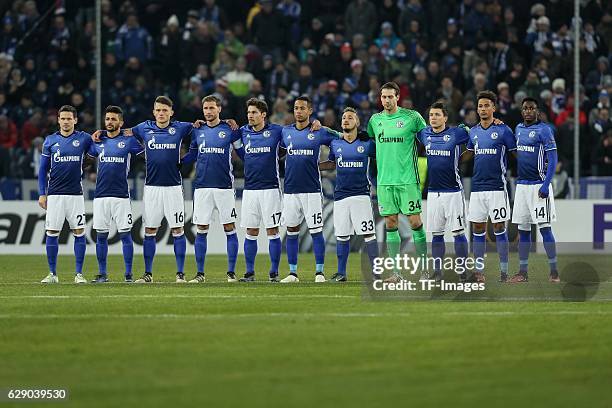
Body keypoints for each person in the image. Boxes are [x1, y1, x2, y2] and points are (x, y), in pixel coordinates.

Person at [114, 96, 194, 283]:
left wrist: (225, 121)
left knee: (178, 230)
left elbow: (203, 125)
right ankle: (148, 274)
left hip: (173, 187)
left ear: (171, 113)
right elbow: (121, 132)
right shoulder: (143, 128)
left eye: (165, 110)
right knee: (149, 230)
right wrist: (100, 132)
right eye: (158, 110)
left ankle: (180, 274)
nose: (161, 113)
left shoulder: (180, 128)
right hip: (151, 188)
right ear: (154, 111)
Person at [366, 82, 428, 282]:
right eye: (383, 97)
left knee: (415, 222)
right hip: (385, 182)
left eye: (390, 96)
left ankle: (425, 271)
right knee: (390, 224)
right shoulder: (375, 120)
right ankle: (396, 273)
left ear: (398, 97)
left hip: (407, 180)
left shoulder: (412, 117)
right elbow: (366, 140)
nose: (386, 100)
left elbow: (429, 137)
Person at [181, 95, 242, 283]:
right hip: (202, 188)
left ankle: (231, 273)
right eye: (205, 108)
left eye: (211, 108)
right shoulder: (197, 130)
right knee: (201, 229)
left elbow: (242, 152)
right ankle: (200, 274)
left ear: (219, 109)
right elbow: (192, 155)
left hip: (224, 187)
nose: (208, 111)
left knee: (229, 228)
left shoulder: (230, 129)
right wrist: (176, 162)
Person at [279, 95, 338, 283]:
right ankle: (293, 273)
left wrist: (331, 161)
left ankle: (319, 272)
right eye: (296, 108)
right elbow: (278, 150)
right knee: (292, 231)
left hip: (312, 190)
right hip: (290, 191)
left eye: (302, 108)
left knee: (316, 231)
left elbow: (339, 139)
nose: (298, 111)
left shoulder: (319, 131)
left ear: (310, 111)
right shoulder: (285, 132)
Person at [461, 91, 516, 283]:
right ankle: (479, 273)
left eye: (487, 106)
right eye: (480, 106)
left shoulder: (504, 130)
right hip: (477, 189)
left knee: (499, 228)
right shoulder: (474, 131)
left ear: (494, 108)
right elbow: (467, 154)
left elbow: (515, 154)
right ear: (477, 109)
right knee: (477, 229)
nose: (483, 109)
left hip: (497, 188)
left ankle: (504, 273)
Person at [319, 107, 378, 282]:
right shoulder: (336, 144)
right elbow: (331, 164)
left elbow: (383, 158)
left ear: (358, 123)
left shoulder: (367, 144)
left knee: (368, 234)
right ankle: (341, 273)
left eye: (350, 118)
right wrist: (312, 165)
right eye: (344, 117)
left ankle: (375, 274)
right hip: (341, 196)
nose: (346, 120)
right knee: (342, 235)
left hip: (361, 195)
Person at [87, 106, 144, 283]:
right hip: (101, 196)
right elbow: (88, 160)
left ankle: (128, 274)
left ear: (121, 122)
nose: (110, 122)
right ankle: (102, 273)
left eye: (113, 119)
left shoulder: (129, 141)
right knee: (101, 236)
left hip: (121, 196)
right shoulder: (98, 141)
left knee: (125, 235)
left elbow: (146, 155)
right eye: (107, 119)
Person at [416, 101, 470, 283]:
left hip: (453, 191)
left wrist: (463, 157)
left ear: (445, 118)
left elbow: (476, 138)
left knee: (458, 232)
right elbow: (410, 132)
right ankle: (438, 272)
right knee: (436, 234)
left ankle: (463, 271)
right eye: (431, 115)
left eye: (438, 115)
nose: (434, 118)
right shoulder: (424, 134)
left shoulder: (456, 133)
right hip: (433, 193)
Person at [38, 105, 93, 284]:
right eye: (63, 118)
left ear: (75, 120)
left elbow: (97, 149)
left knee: (79, 232)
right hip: (54, 195)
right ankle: (52, 274)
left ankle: (79, 274)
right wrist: (42, 194)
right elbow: (42, 169)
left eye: (69, 118)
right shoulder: (50, 141)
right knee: (52, 232)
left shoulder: (84, 139)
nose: (66, 121)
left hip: (75, 194)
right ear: (58, 120)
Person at [510, 97, 559, 283]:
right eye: (525, 108)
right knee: (523, 231)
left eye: (531, 108)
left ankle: (554, 271)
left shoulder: (544, 130)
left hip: (539, 186)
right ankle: (523, 272)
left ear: (537, 111)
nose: (528, 111)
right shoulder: (518, 129)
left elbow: (553, 159)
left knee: (545, 229)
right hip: (521, 186)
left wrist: (546, 185)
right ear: (522, 111)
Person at [236, 98, 284, 282]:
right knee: (250, 231)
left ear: (263, 114)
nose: (250, 116)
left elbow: (293, 138)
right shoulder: (243, 131)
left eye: (254, 112)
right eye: (249, 112)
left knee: (272, 231)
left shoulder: (277, 131)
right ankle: (249, 272)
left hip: (270, 189)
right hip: (249, 190)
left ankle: (274, 272)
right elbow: (237, 147)